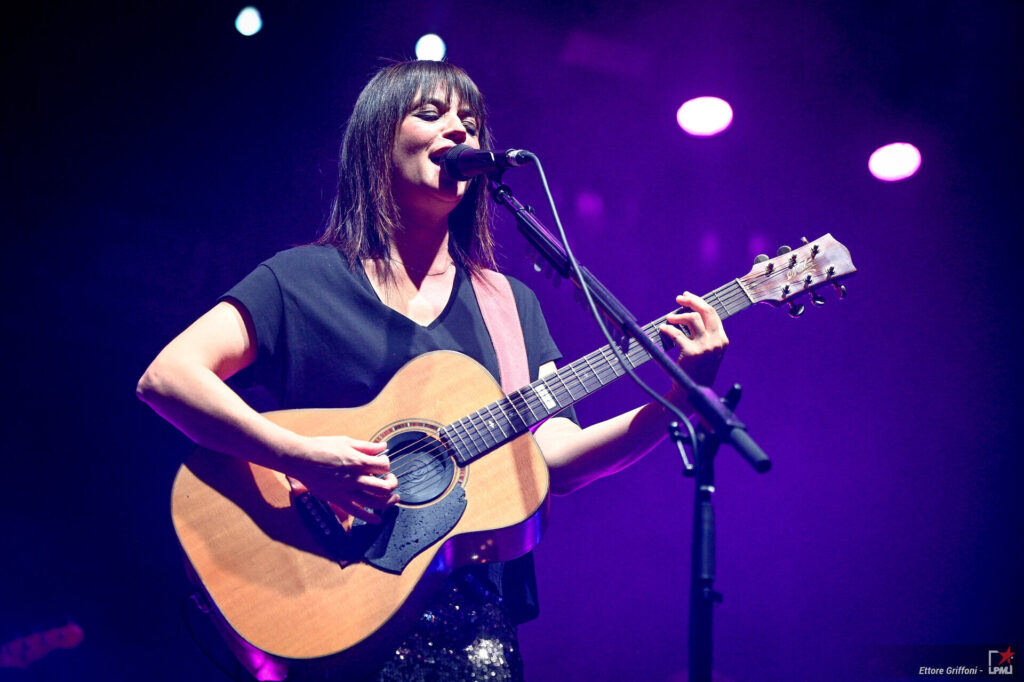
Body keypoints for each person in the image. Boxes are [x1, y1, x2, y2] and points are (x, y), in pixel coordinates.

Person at [137, 60, 728, 681]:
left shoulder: (507, 304)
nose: (458, 133)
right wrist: (301, 457)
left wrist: (675, 402)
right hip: (320, 603)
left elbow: (554, 460)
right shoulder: (300, 280)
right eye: (431, 114)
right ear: (377, 139)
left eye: (470, 124)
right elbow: (169, 377)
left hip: (471, 634)